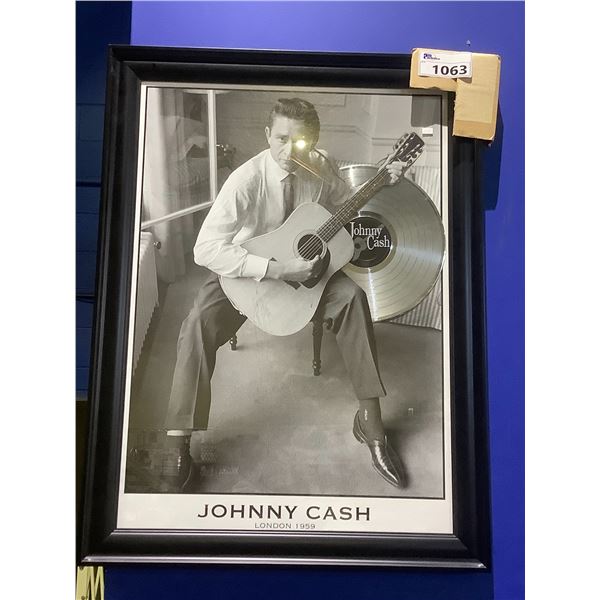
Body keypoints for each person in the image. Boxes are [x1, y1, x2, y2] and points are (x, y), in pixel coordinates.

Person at [162, 97, 406, 492]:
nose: (289, 151)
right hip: (245, 274)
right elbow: (204, 250)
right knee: (196, 324)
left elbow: (342, 204)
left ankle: (371, 425)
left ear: (314, 142)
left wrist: (381, 181)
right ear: (267, 135)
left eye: (300, 142)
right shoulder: (246, 180)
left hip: (305, 275)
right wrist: (276, 269)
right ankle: (178, 443)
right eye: (280, 139)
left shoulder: (320, 167)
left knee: (353, 299)